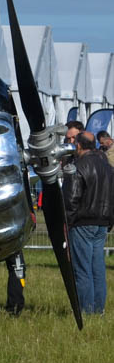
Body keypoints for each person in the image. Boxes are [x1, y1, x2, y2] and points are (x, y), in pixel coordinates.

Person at [63, 131, 114, 315]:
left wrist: (67, 224)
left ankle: (86, 311)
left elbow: (71, 199)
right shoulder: (107, 166)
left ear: (78, 145)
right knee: (97, 268)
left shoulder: (78, 166)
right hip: (102, 223)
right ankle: (98, 310)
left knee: (83, 270)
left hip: (82, 222)